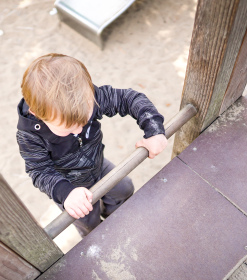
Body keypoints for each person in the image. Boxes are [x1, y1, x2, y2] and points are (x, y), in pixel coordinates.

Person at [16, 53, 167, 237]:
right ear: (38, 115)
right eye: (68, 127)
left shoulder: (89, 99)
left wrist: (155, 131)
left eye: (84, 120)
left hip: (98, 164)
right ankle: (97, 235)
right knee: (89, 222)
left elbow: (130, 99)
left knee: (124, 188)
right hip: (69, 187)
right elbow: (39, 170)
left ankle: (115, 219)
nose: (79, 130)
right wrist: (66, 193)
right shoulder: (30, 136)